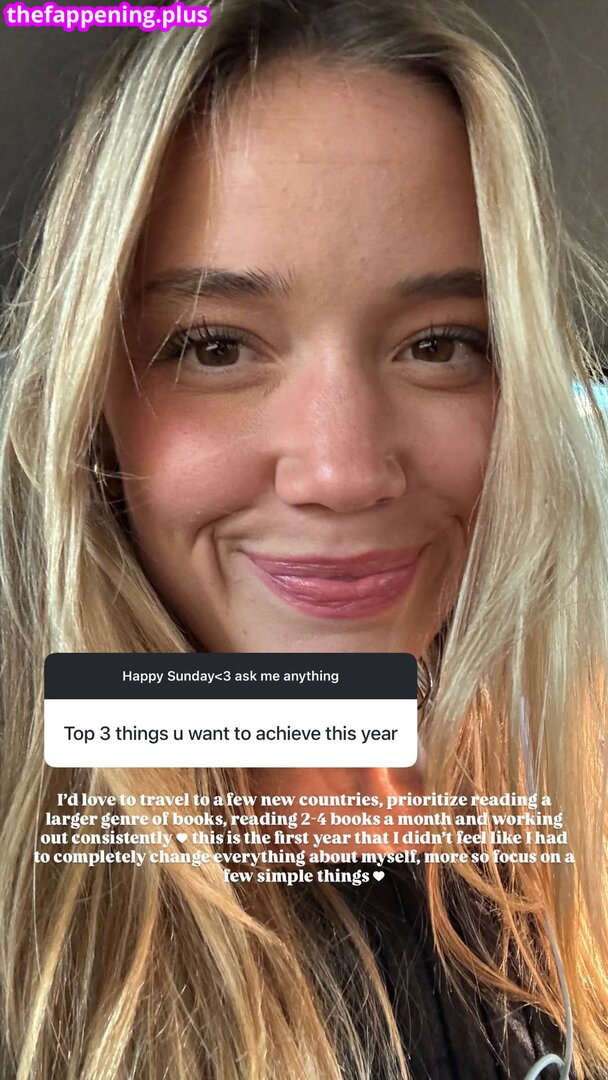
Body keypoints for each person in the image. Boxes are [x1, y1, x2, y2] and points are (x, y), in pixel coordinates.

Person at [1, 1, 607, 1077]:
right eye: (214, 347)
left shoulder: (566, 760)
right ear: (91, 405)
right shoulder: (34, 917)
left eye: (439, 344)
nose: (341, 472)